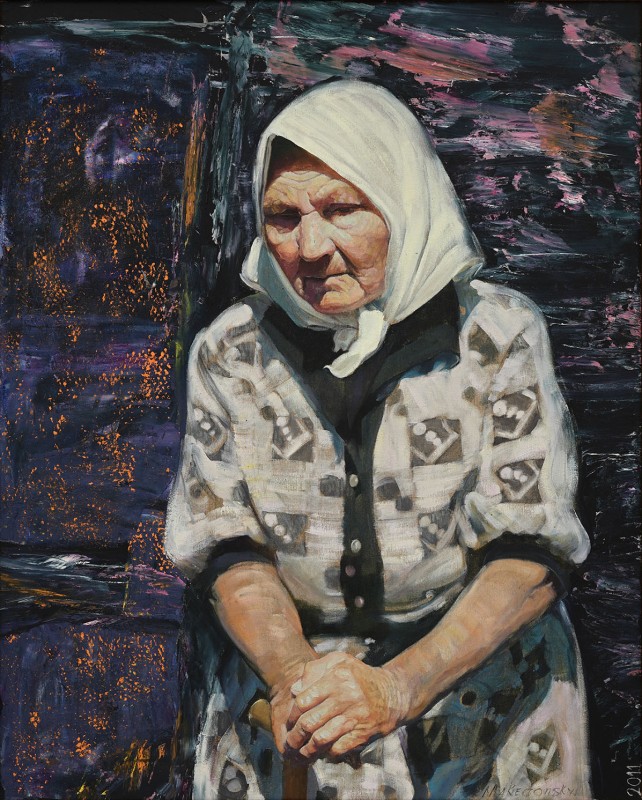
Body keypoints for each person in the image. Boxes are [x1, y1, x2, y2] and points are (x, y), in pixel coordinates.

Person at [165, 80, 592, 800]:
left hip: (480, 700)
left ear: (403, 200)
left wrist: (397, 688)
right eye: (282, 217)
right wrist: (297, 679)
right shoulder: (230, 351)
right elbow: (225, 543)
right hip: (293, 713)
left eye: (341, 210)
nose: (310, 248)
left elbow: (531, 550)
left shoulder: (497, 334)